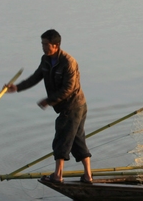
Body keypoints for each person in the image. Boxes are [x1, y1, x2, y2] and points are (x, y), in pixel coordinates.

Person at [6, 29, 92, 183]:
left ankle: (58, 176)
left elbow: (69, 88)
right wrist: (17, 87)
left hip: (74, 106)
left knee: (62, 138)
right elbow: (35, 77)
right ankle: (88, 176)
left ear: (56, 45)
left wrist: (49, 100)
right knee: (77, 140)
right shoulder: (45, 60)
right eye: (42, 44)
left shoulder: (68, 62)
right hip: (70, 107)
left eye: (46, 44)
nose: (44, 47)